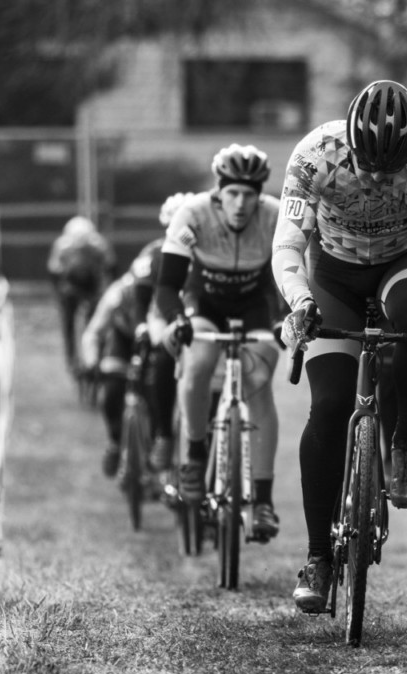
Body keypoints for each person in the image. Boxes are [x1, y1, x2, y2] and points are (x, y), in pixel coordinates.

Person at [273, 79, 407, 614]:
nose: (380, 178)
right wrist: (299, 301)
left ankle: (405, 442)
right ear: (351, 143)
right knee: (331, 405)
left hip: (400, 265)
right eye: (369, 165)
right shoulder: (315, 155)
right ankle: (318, 557)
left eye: (392, 168)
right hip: (333, 276)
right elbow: (288, 244)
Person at [155, 145, 285, 541]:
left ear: (259, 194)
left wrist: (285, 321)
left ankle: (262, 500)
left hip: (254, 305)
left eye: (249, 194)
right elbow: (167, 285)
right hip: (204, 301)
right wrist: (177, 320)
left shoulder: (276, 216)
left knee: (259, 383)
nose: (241, 203)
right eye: (233, 193)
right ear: (219, 192)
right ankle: (194, 459)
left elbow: (290, 277)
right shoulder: (192, 213)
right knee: (197, 363)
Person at [80, 242, 161, 478]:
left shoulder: (159, 290)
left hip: (152, 340)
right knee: (112, 390)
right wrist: (92, 362)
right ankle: (116, 442)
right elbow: (93, 332)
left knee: (156, 391)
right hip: (122, 339)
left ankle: (158, 444)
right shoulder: (116, 294)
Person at [143, 192, 196, 475]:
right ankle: (164, 433)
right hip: (164, 317)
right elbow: (147, 298)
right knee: (162, 359)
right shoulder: (156, 253)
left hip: (198, 318)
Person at [47, 215, 115, 373]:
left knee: (95, 321)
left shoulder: (98, 244)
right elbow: (54, 272)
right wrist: (60, 294)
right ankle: (72, 358)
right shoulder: (63, 246)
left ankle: (94, 354)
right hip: (71, 286)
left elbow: (110, 267)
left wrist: (105, 291)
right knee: (68, 320)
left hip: (92, 286)